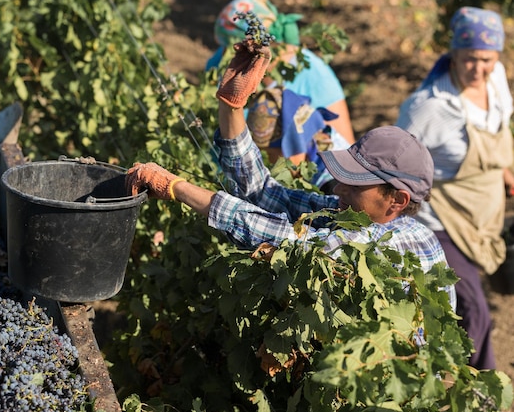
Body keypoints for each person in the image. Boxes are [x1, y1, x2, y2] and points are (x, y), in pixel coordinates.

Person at [127, 35, 456, 310]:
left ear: (397, 200)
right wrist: (231, 107)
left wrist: (178, 188)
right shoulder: (349, 214)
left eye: (356, 186)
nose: (339, 190)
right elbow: (264, 193)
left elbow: (290, 244)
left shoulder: (392, 245)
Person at [396, 6, 514, 370]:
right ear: (453, 54)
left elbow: (499, 131)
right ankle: (471, 386)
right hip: (440, 219)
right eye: (470, 59)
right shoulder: (427, 106)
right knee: (473, 309)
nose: (479, 69)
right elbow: (397, 163)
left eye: (487, 59)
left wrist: (507, 172)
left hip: (482, 214)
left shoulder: (495, 81)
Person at [206, 0, 355, 172]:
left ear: (257, 48)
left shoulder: (315, 76)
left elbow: (343, 151)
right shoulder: (221, 62)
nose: (223, 55)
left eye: (230, 48)